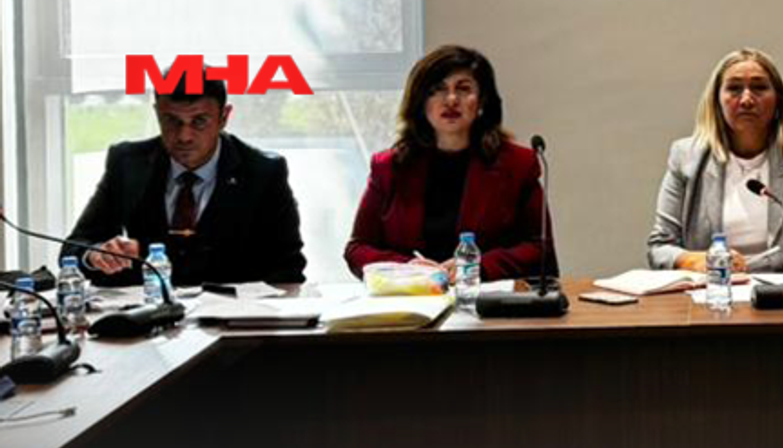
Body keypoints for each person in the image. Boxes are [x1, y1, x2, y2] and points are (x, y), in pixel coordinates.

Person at [65, 67, 306, 286]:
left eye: (199, 121)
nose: (184, 136)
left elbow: (288, 269)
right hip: (148, 312)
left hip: (233, 314)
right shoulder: (128, 163)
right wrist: (95, 254)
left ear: (224, 117)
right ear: (157, 113)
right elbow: (74, 247)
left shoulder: (263, 172)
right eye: (172, 121)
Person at [344, 45, 557, 281]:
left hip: (485, 298)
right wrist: (407, 268)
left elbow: (540, 249)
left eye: (463, 89)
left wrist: (478, 266)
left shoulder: (518, 165)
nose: (451, 99)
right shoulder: (390, 167)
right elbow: (357, 249)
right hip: (414, 296)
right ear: (420, 101)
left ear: (482, 100)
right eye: (437, 90)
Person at [647, 48, 783, 276]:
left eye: (759, 88)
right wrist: (695, 261)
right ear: (717, 100)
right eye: (734, 88)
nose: (746, 99)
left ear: (778, 99)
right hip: (714, 290)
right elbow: (660, 247)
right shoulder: (686, 157)